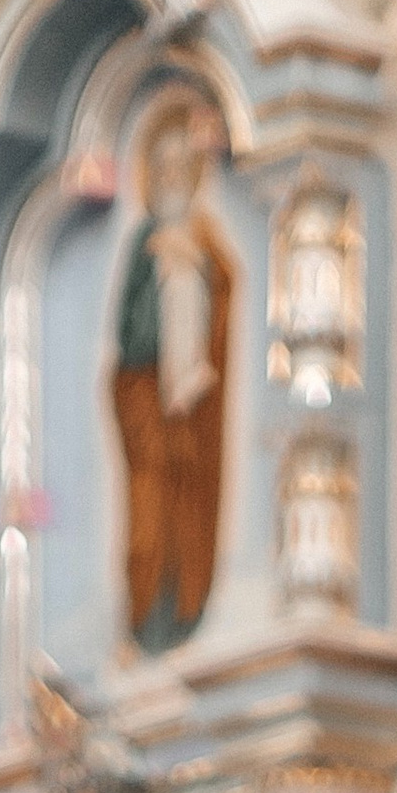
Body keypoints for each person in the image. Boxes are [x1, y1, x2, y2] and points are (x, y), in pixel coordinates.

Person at [113, 104, 233, 652]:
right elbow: (127, 329)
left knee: (190, 506)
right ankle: (146, 613)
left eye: (182, 169)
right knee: (148, 514)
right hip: (147, 408)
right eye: (160, 169)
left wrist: (201, 267)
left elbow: (227, 299)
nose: (170, 180)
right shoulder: (142, 242)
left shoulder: (208, 241)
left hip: (194, 410)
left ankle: (188, 606)